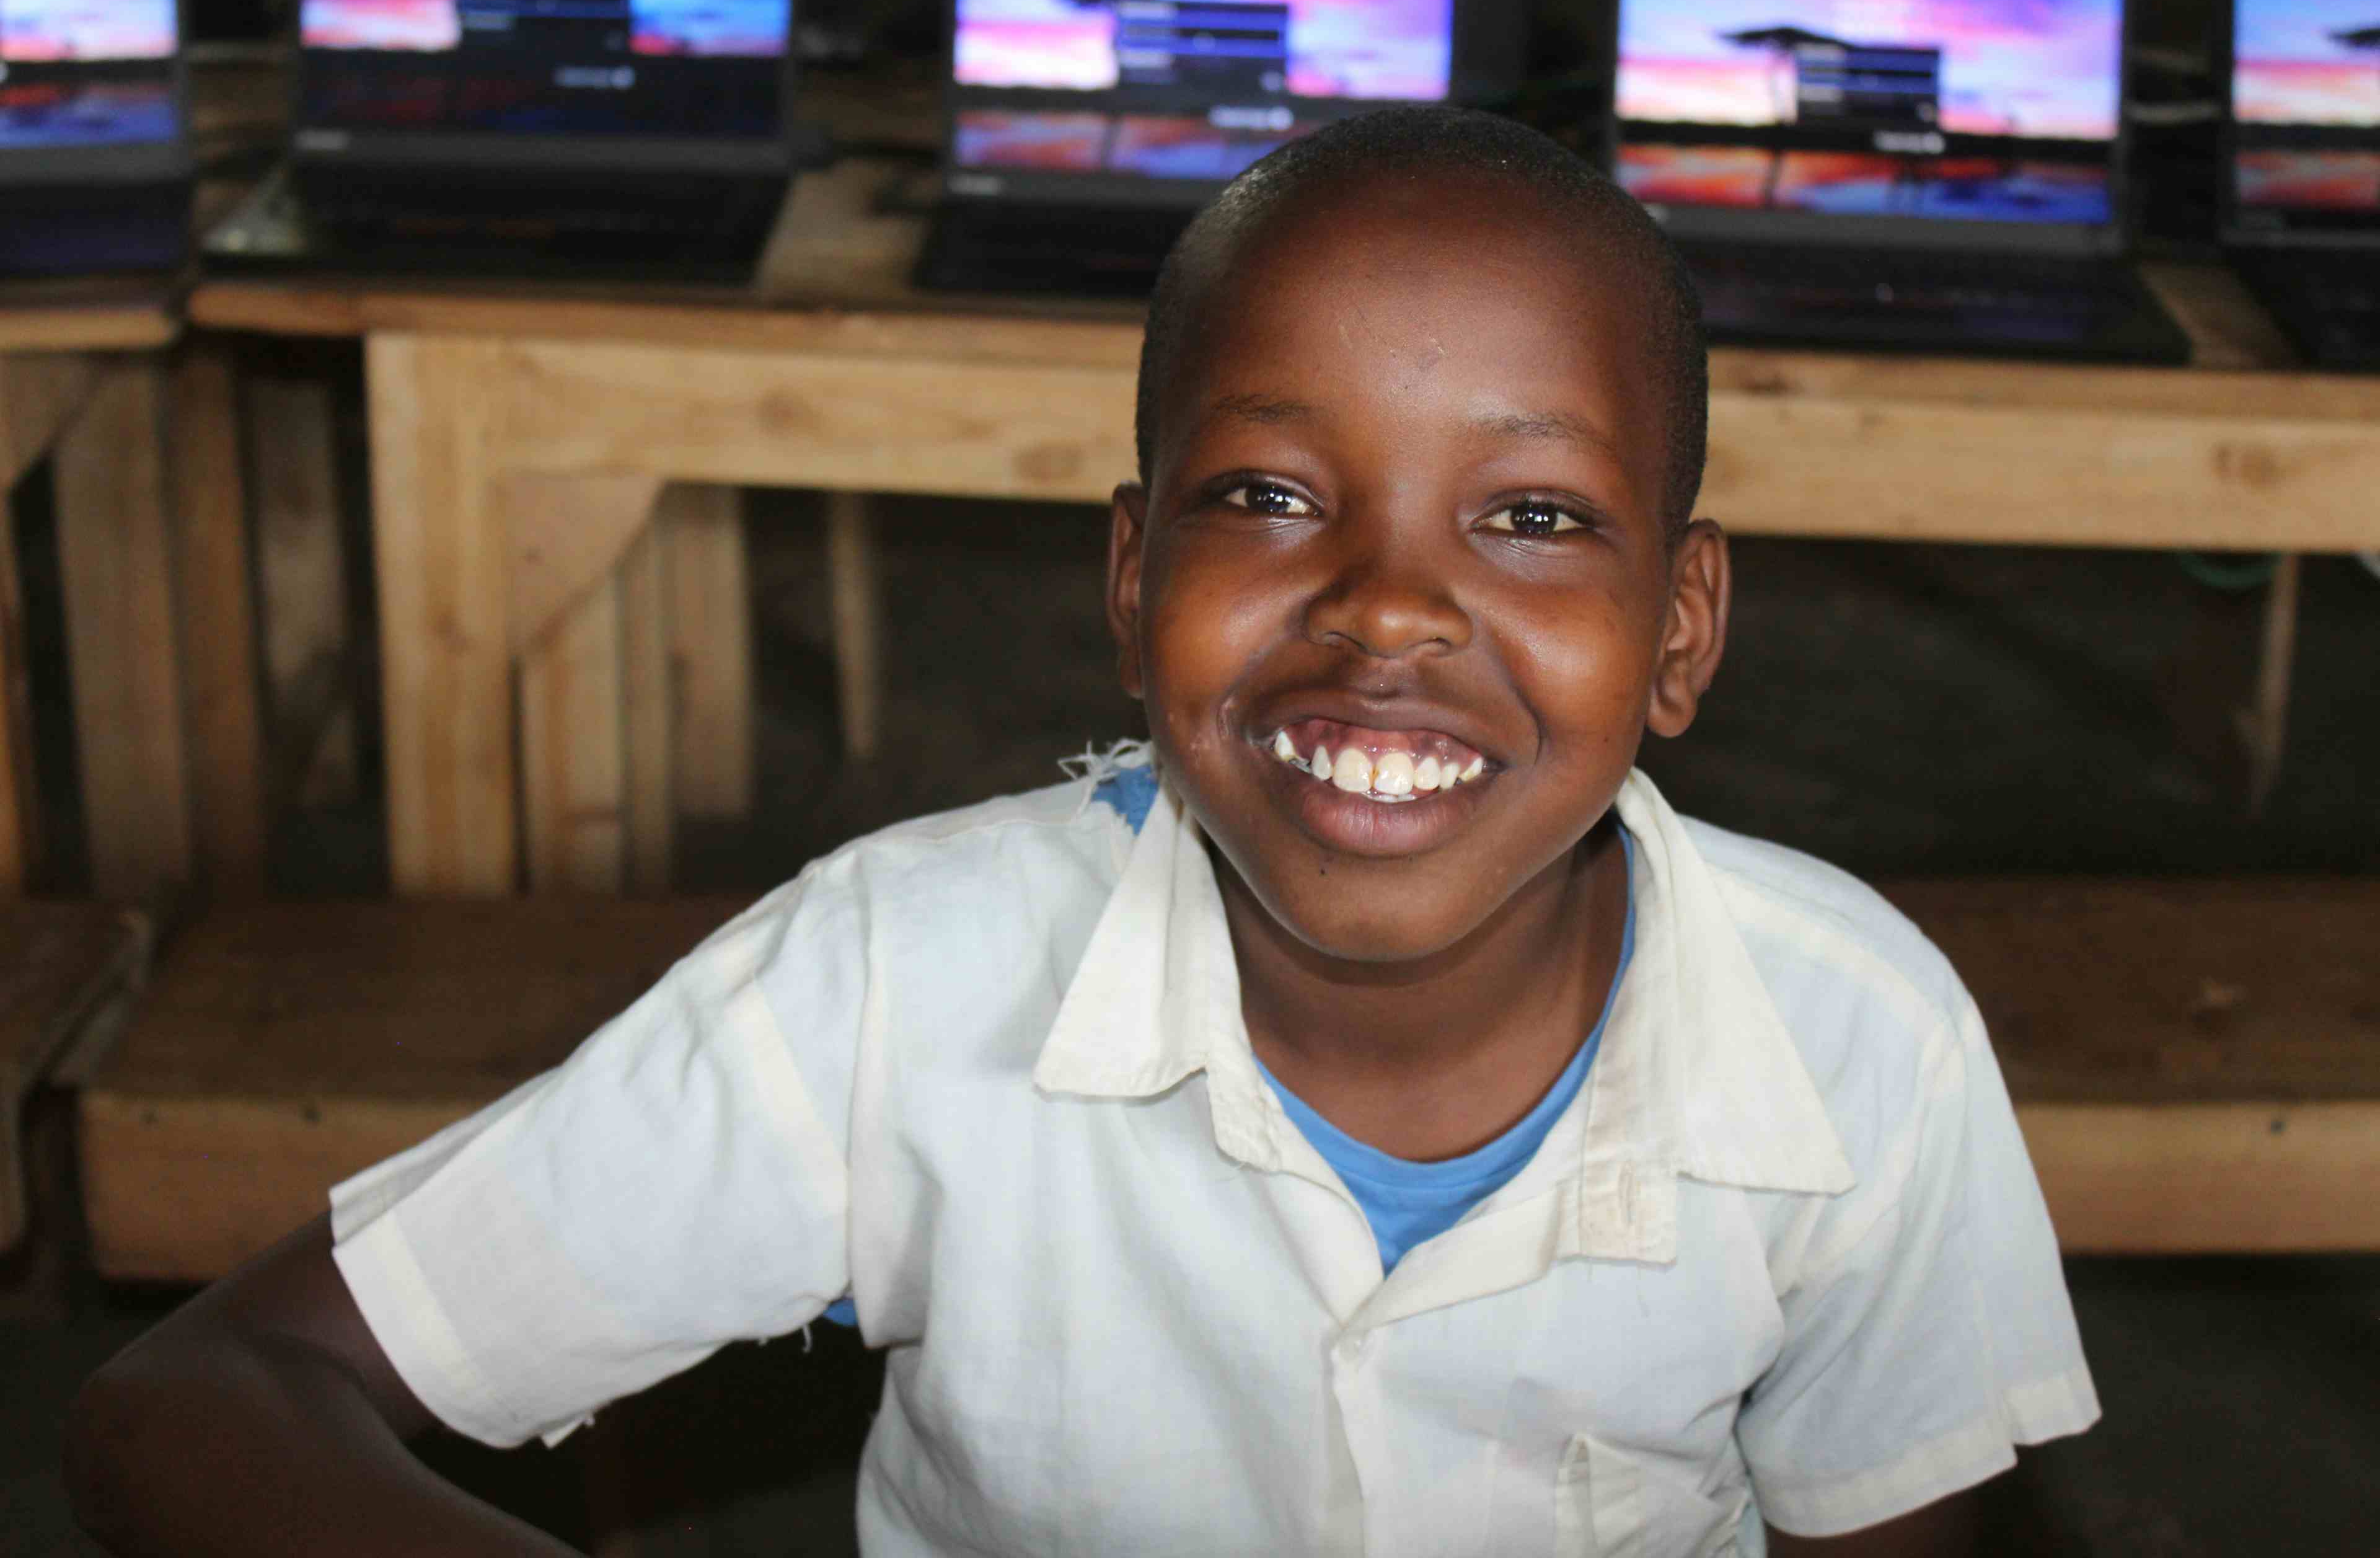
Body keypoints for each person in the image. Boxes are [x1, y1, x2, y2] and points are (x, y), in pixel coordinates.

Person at [66, 107, 2094, 1557]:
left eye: (1534, 516)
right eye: (1271, 496)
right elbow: (204, 1401)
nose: (1387, 609)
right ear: (1132, 587)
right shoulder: (891, 988)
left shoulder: (1861, 1048)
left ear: (1681, 626)